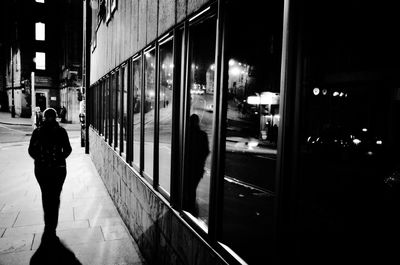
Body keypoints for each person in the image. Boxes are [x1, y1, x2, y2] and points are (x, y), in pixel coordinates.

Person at [28, 108, 72, 241]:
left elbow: (31, 150)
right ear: (56, 116)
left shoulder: (38, 132)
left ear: (44, 117)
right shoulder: (61, 131)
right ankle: (52, 224)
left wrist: (40, 159)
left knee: (46, 195)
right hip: (58, 169)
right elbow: (68, 149)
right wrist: (59, 158)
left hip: (42, 169)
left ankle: (48, 223)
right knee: (55, 196)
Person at [183, 114, 210, 216]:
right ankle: (191, 208)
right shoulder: (203, 135)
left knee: (188, 187)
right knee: (192, 188)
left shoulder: (186, 134)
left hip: (187, 167)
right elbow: (206, 151)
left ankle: (188, 208)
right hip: (197, 168)